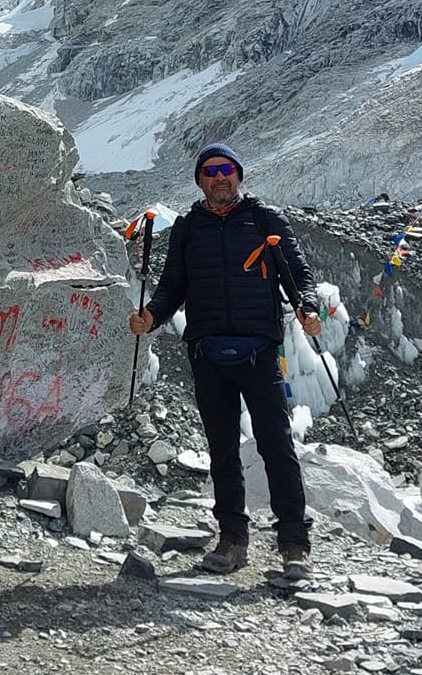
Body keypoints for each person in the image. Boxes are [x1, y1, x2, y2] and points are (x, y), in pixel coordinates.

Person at [129, 143, 322, 578]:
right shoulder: (187, 228)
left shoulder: (264, 220)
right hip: (207, 352)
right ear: (200, 180)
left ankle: (294, 543)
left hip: (258, 350)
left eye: (227, 169)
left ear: (239, 176)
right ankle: (232, 538)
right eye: (211, 171)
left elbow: (297, 272)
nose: (220, 177)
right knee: (222, 450)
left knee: (276, 444)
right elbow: (171, 287)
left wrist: (307, 307)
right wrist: (151, 316)